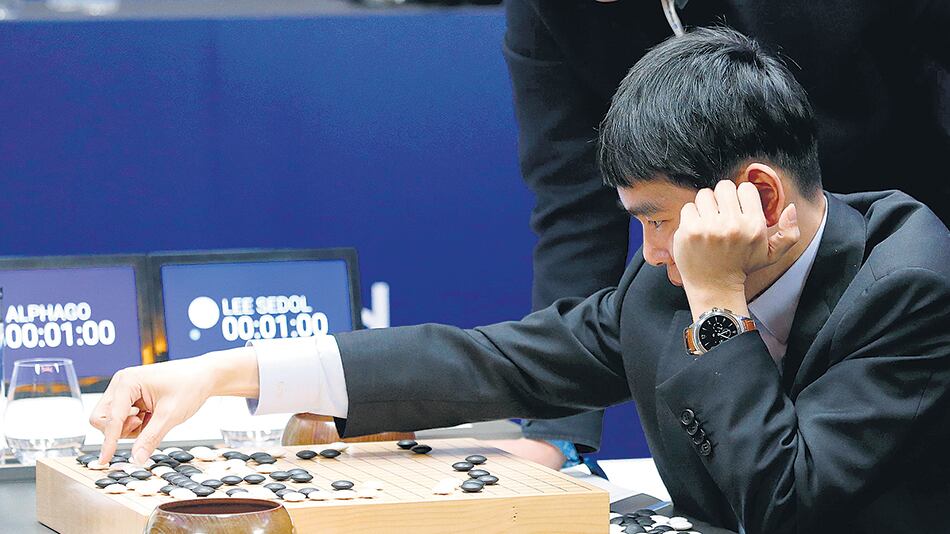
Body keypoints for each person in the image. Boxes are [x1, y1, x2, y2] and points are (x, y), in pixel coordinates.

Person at [92, 28, 949, 533]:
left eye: (659, 218)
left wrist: (718, 305)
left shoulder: (910, 285)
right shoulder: (668, 284)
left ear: (754, 194)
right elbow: (487, 363)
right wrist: (219, 373)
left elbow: (784, 501)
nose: (651, 254)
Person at [502, 0, 950, 469]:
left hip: (901, 251)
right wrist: (555, 430)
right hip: (753, 270)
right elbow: (573, 203)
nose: (654, 256)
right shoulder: (545, 11)